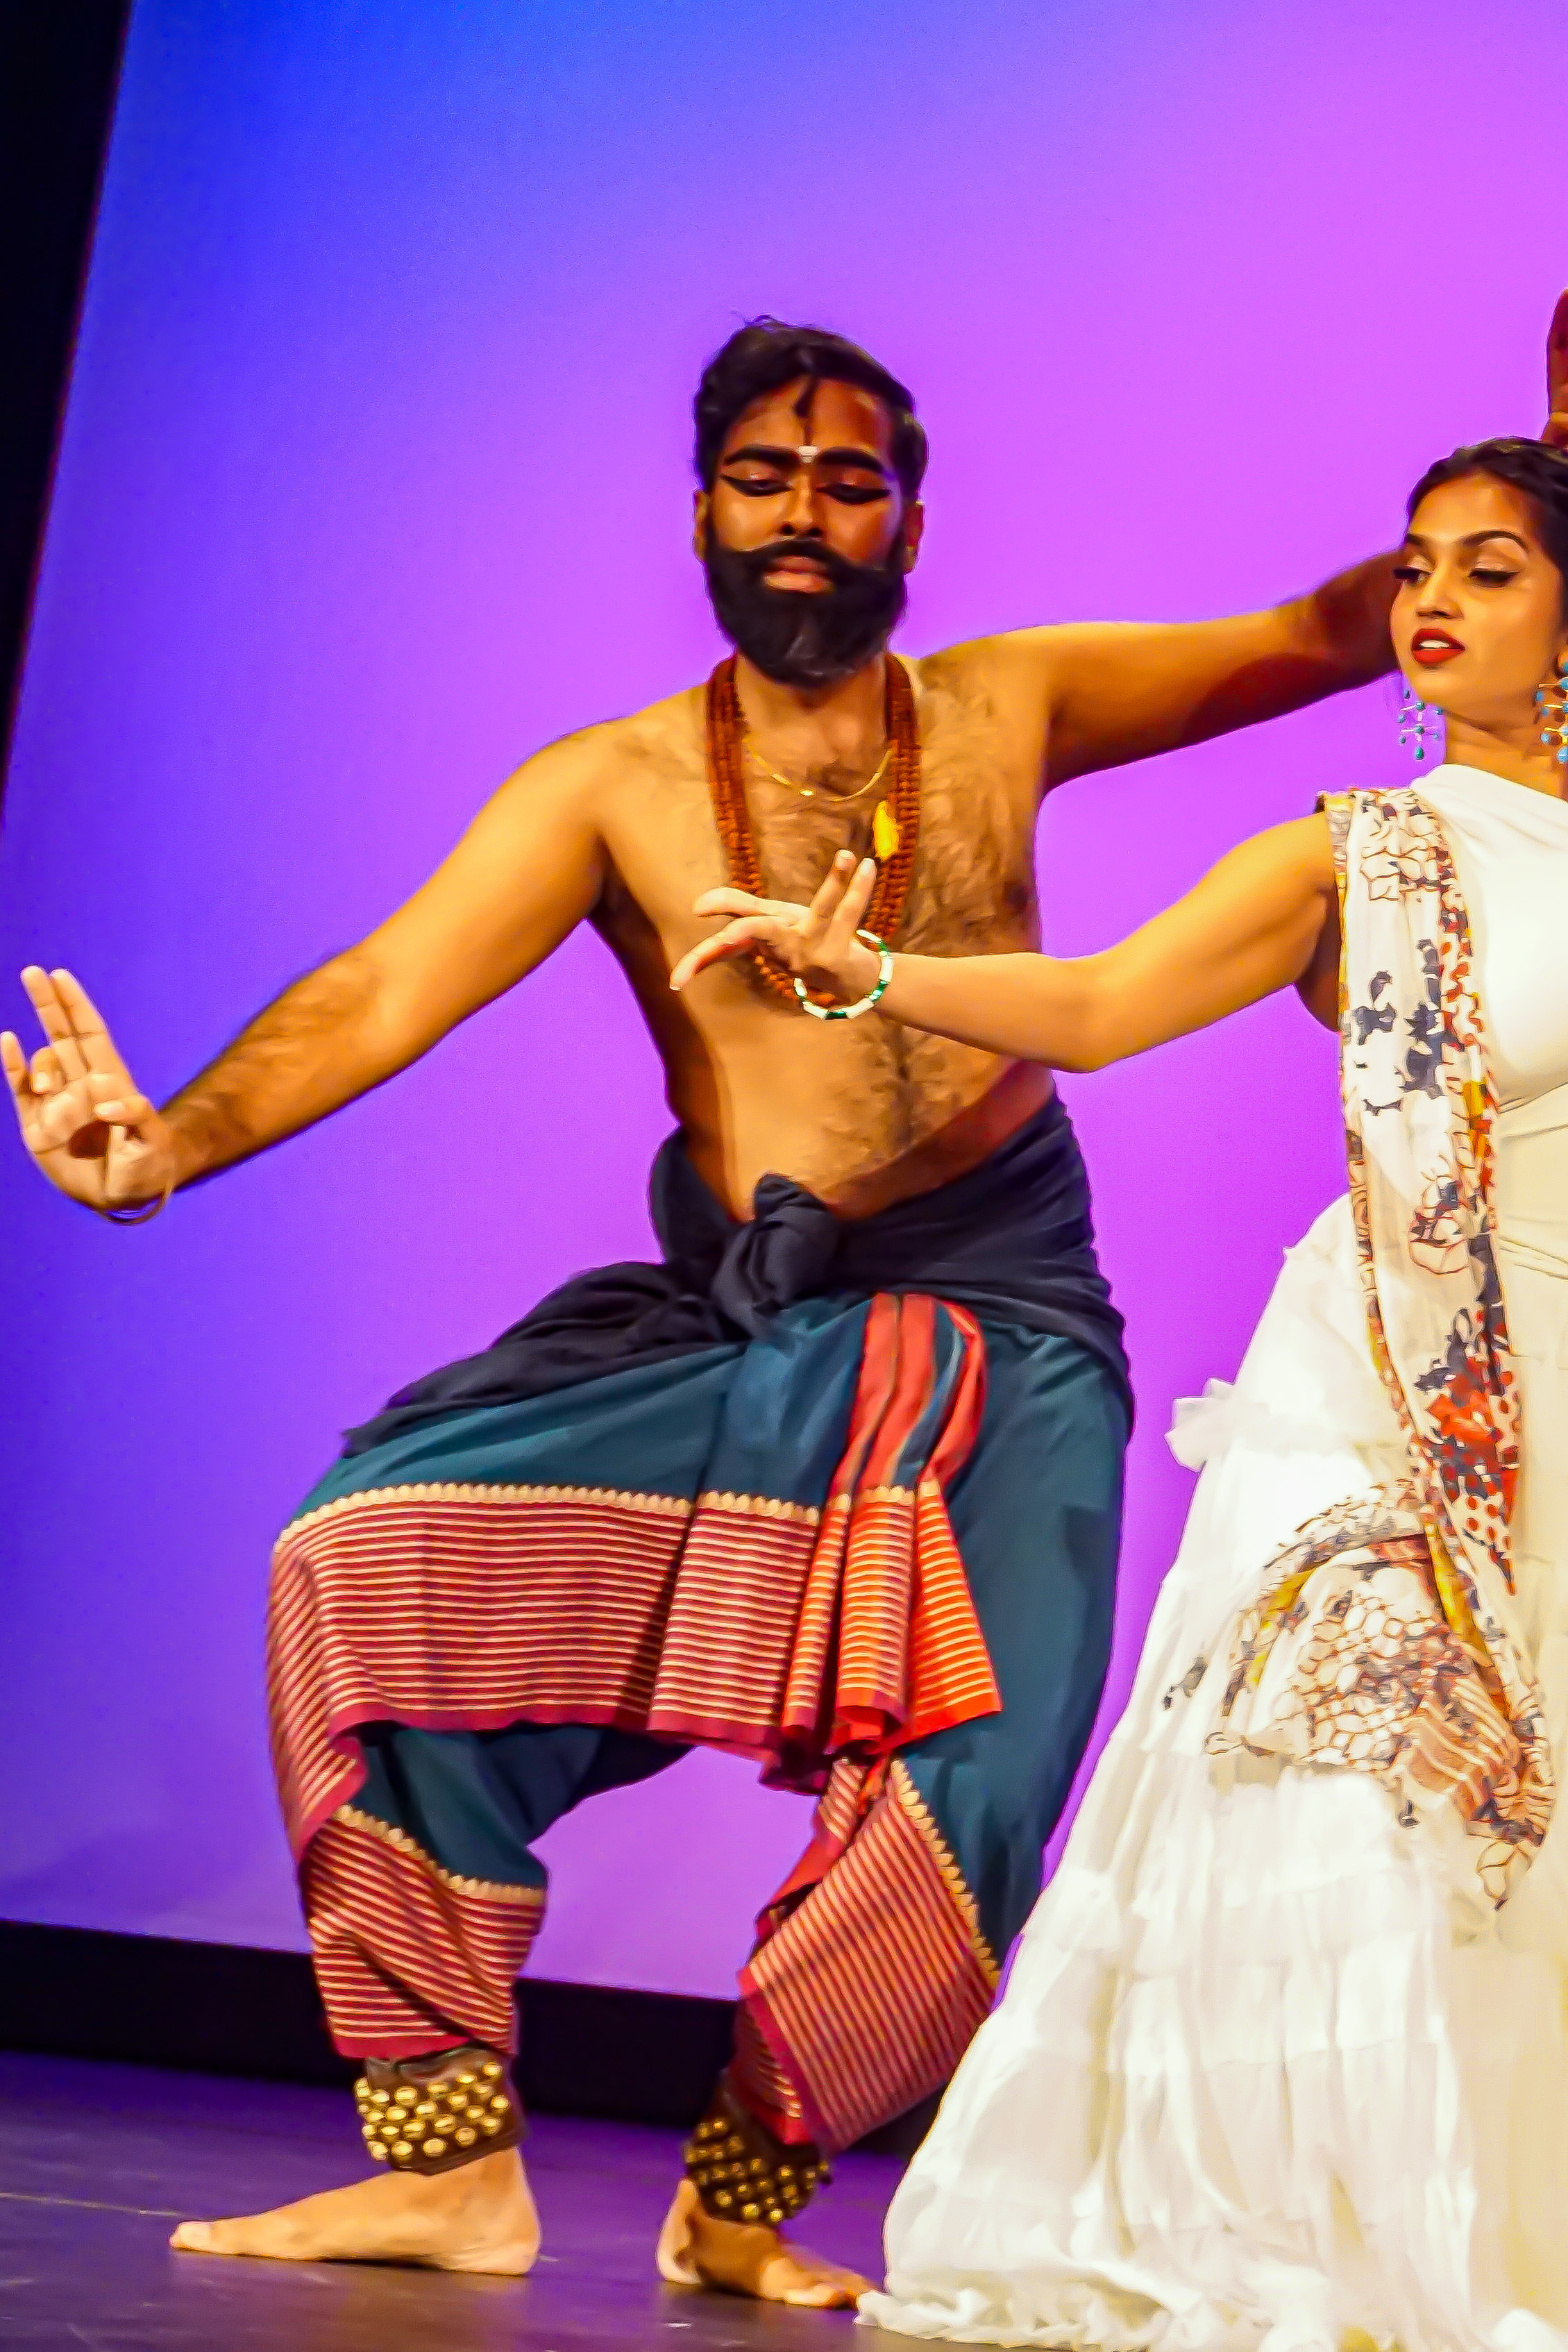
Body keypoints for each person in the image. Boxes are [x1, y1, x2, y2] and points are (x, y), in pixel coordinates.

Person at [3, 314, 1554, 2310]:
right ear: (704, 510)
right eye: (765, 478)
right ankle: (448, 2162)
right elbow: (380, 994)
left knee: (975, 1773)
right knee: (366, 1558)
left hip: (1005, 1319)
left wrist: (1552, 451)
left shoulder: (1010, 703)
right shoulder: (614, 786)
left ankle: (745, 2191)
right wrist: (163, 1145)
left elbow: (1343, 622)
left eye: (850, 481)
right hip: (748, 1324)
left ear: (912, 514)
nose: (806, 516)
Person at [677, 426, 1568, 2347]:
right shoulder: (1361, 853)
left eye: (1487, 569)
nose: (1427, 598)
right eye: (1416, 560)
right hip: (1378, 1397)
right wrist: (861, 976)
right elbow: (1096, 1002)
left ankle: (1493, 2232)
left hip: (1563, 1410)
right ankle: (1300, 2239)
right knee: (1362, 1809)